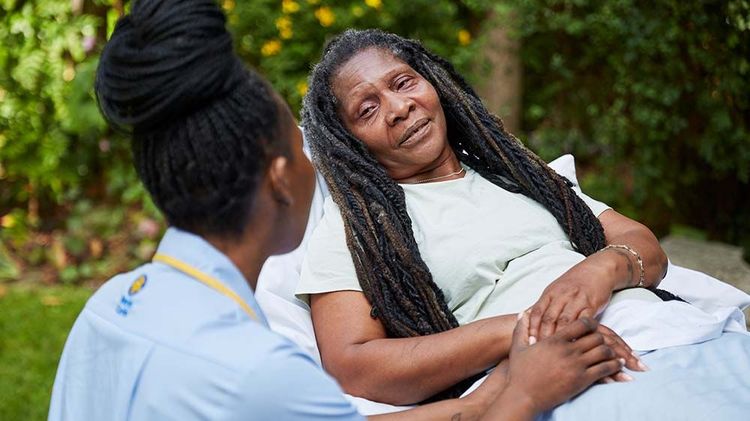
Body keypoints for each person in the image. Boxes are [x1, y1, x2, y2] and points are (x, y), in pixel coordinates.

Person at [47, 2, 627, 420]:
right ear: (280, 178)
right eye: (305, 148)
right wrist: (522, 398)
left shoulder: (108, 307)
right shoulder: (259, 373)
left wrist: (485, 397)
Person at [297, 28, 750, 416]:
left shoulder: (514, 172)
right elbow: (352, 364)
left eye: (404, 82)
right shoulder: (355, 229)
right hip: (557, 382)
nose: (398, 108)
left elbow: (643, 245)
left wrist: (602, 269)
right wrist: (522, 326)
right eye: (367, 110)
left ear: (432, 84)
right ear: (347, 141)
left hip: (675, 333)